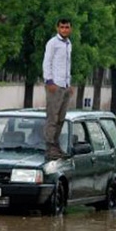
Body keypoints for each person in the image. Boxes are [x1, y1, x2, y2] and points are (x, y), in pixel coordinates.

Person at [42, 18, 73, 160]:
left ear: (70, 29)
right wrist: (49, 81)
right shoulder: (52, 43)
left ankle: (56, 145)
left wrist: (69, 84)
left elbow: (67, 65)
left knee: (61, 118)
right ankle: (50, 146)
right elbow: (47, 61)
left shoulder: (68, 44)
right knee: (52, 117)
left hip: (65, 85)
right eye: (62, 27)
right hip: (54, 85)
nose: (64, 30)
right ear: (57, 28)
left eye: (67, 27)